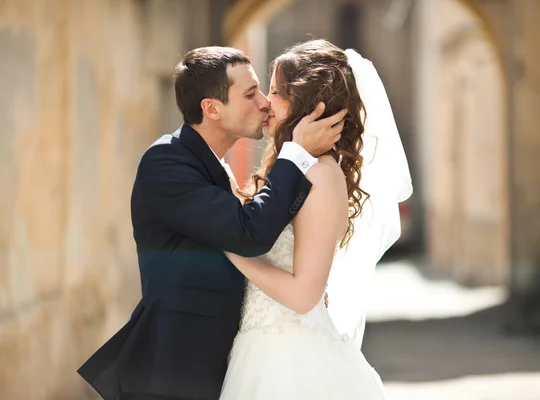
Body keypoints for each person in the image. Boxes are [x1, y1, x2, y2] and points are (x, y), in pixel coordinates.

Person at [77, 46, 348, 400]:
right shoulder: (167, 162)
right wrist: (295, 153)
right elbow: (248, 234)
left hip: (232, 366)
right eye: (251, 94)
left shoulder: (218, 169)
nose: (265, 102)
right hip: (175, 371)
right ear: (212, 109)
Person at [219, 39, 412, 399]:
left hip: (290, 357)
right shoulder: (296, 169)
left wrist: (233, 252)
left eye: (275, 91)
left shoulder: (322, 176)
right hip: (263, 348)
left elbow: (305, 295)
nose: (265, 102)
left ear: (306, 105)